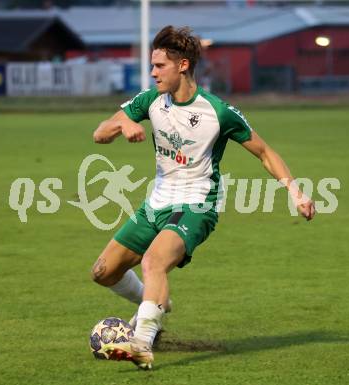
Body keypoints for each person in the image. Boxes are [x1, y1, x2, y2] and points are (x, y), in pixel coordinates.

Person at [91, 25, 315, 370]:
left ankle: (142, 342)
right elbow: (100, 133)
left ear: (182, 65)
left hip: (197, 204)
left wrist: (296, 192)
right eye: (152, 66)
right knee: (103, 272)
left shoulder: (217, 112)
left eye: (159, 66)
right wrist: (122, 125)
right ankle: (155, 301)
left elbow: (264, 151)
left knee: (154, 262)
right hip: (157, 202)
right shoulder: (150, 100)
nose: (152, 73)